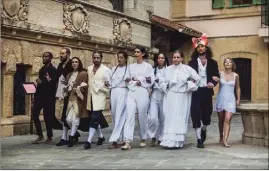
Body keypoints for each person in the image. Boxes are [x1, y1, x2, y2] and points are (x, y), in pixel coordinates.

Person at [160, 50, 200, 149]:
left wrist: (188, 83)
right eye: (174, 57)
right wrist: (168, 85)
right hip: (171, 96)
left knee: (180, 117)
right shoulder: (167, 70)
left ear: (182, 58)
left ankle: (178, 141)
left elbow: (196, 79)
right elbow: (160, 81)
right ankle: (168, 141)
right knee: (170, 117)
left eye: (178, 57)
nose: (176, 59)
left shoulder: (187, 69)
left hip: (182, 96)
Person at [188, 34, 220, 148]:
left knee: (207, 115)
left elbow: (216, 75)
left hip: (207, 91)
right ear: (196, 49)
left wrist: (213, 82)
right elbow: (188, 77)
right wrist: (190, 83)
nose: (200, 48)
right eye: (198, 47)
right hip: (196, 92)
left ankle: (204, 128)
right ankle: (199, 139)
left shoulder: (213, 62)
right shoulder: (191, 63)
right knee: (196, 114)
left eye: (202, 46)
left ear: (206, 47)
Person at [121, 46, 154, 150]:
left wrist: (140, 80)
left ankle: (143, 138)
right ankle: (127, 141)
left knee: (142, 115)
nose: (136, 53)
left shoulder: (148, 66)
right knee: (129, 115)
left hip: (143, 92)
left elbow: (150, 79)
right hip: (131, 91)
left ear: (143, 54)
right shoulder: (130, 67)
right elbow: (126, 78)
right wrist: (133, 81)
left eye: (138, 52)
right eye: (135, 52)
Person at [31, 52, 62, 144]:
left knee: (47, 117)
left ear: (51, 58)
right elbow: (40, 84)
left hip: (49, 97)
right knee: (34, 115)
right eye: (43, 56)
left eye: (46, 56)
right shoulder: (42, 69)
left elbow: (54, 85)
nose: (44, 58)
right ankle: (40, 135)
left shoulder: (53, 70)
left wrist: (47, 81)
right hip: (40, 96)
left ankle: (49, 136)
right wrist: (35, 96)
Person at [60, 57, 90, 147]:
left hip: (79, 99)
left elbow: (86, 85)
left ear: (79, 63)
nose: (74, 63)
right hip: (70, 99)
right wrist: (66, 88)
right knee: (68, 119)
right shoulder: (69, 74)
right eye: (73, 62)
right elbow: (67, 87)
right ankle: (75, 133)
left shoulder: (83, 73)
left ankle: (71, 137)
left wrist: (79, 88)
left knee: (76, 119)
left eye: (76, 62)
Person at [84, 51, 110, 149]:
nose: (96, 59)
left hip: (99, 97)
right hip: (90, 97)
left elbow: (108, 86)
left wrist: (99, 86)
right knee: (95, 118)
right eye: (94, 58)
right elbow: (88, 82)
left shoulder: (106, 70)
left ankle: (88, 141)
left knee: (95, 117)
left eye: (98, 58)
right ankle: (100, 137)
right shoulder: (89, 69)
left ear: (101, 58)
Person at [56, 48, 80, 146]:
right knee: (61, 116)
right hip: (61, 92)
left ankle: (65, 137)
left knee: (65, 117)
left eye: (63, 53)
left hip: (70, 94)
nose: (61, 55)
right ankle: (70, 135)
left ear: (68, 54)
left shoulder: (71, 64)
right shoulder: (60, 65)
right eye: (60, 53)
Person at [104, 51, 129, 149]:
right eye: (118, 57)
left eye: (121, 57)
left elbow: (130, 81)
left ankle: (114, 139)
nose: (119, 59)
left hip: (123, 92)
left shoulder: (128, 70)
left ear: (125, 59)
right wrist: (107, 84)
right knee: (114, 115)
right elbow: (110, 82)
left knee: (120, 115)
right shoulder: (114, 69)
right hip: (113, 93)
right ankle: (120, 139)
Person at [214, 58, 241, 147]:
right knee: (221, 120)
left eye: (229, 62)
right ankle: (221, 136)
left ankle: (225, 140)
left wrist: (238, 99)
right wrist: (214, 79)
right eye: (226, 62)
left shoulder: (236, 76)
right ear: (224, 64)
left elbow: (237, 88)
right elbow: (213, 79)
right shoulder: (220, 74)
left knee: (227, 119)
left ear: (232, 64)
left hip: (230, 100)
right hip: (221, 99)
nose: (227, 63)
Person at [147, 53, 169, 147]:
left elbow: (168, 82)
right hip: (154, 95)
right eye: (159, 58)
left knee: (163, 118)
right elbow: (149, 81)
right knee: (153, 117)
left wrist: (160, 81)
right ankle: (153, 136)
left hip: (164, 95)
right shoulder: (153, 70)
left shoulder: (168, 70)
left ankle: (161, 137)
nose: (160, 59)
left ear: (165, 59)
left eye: (162, 58)